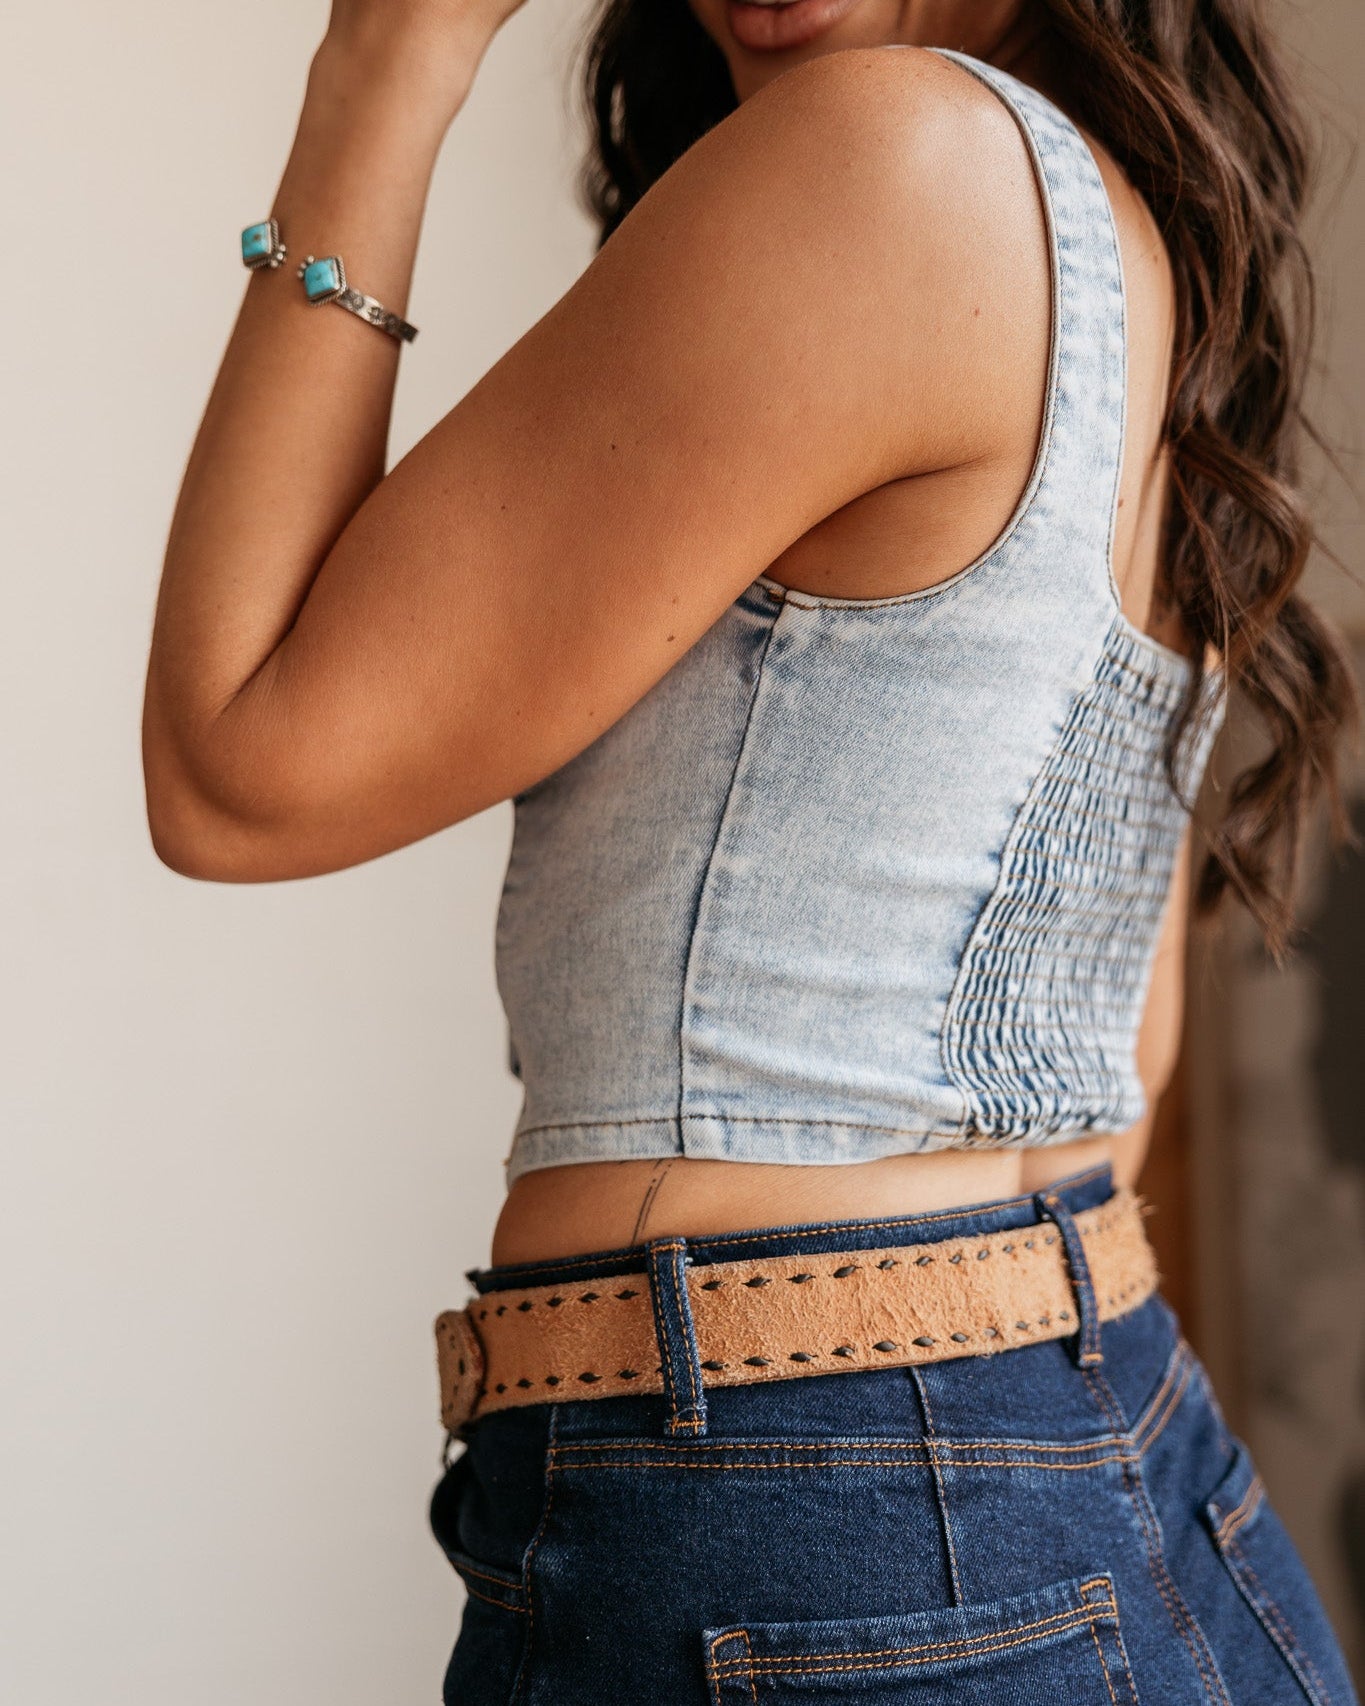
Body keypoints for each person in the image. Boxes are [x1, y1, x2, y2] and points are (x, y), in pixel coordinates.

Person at [142, 0, 1361, 1699]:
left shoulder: (894, 161)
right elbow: (1116, 1055)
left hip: (800, 1522)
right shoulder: (1124, 235)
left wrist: (387, 58)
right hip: (1119, 1462)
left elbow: (233, 765)